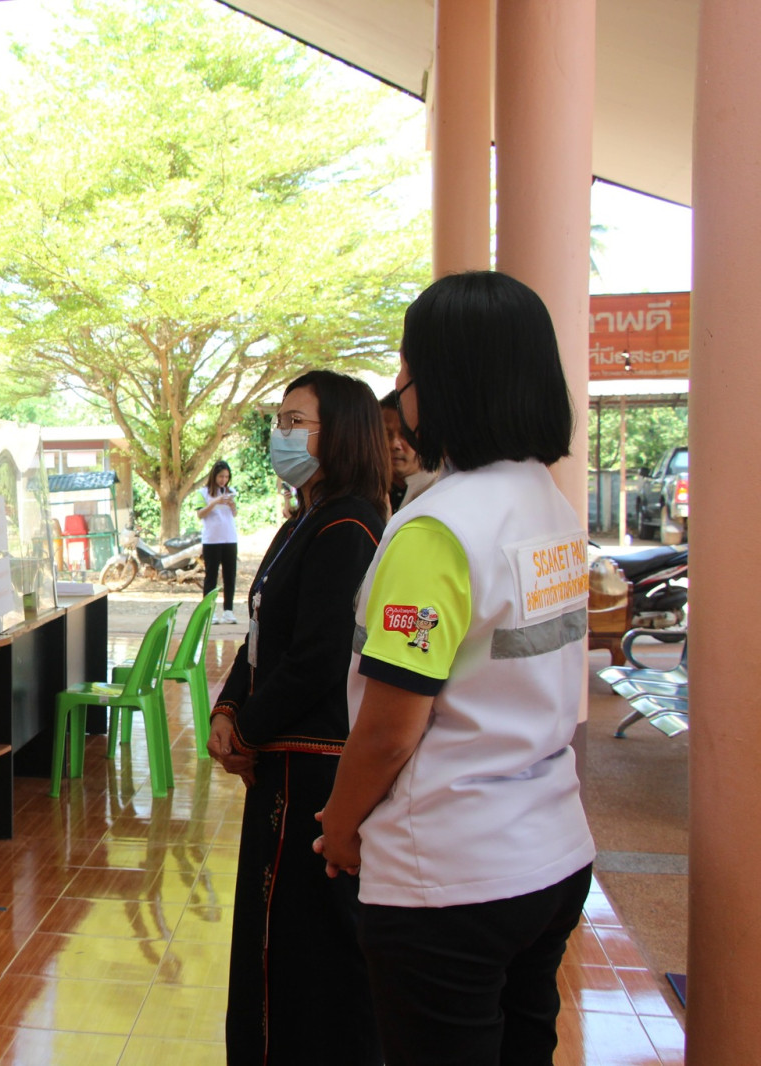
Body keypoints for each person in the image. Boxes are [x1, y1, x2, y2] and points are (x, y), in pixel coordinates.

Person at [316, 271, 595, 1066]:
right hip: (552, 850)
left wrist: (340, 827)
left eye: (406, 372)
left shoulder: (438, 529)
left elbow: (390, 730)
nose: (400, 392)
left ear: (444, 383)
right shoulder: (548, 505)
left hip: (452, 873)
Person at [205, 369, 389, 1065]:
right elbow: (261, 634)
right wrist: (228, 709)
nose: (279, 434)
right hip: (278, 764)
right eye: (278, 421)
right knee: (270, 942)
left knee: (308, 955)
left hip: (312, 774)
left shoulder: (349, 526)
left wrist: (247, 732)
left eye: (295, 421)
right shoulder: (303, 520)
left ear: (339, 433)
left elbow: (317, 657)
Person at [195, 459, 239, 624]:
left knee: (230, 575)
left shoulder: (231, 491)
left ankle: (228, 611)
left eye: (226, 477)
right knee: (211, 576)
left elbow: (234, 514)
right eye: (221, 476)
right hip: (212, 540)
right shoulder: (203, 493)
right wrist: (214, 502)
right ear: (214, 476)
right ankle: (209, 611)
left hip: (230, 538)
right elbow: (200, 514)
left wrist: (232, 505)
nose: (223, 480)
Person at [379, 389, 434, 512]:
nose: (394, 444)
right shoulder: (369, 489)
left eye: (405, 434)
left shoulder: (436, 491)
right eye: (387, 434)